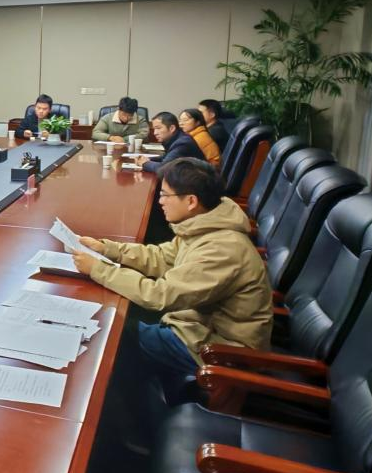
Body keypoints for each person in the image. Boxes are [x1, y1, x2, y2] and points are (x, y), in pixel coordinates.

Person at [70, 158, 272, 393]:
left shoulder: (221, 248)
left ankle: (127, 409)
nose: (160, 201)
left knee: (112, 335)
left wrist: (98, 269)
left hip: (220, 350)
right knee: (116, 320)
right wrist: (108, 249)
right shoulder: (204, 224)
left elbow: (160, 295)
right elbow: (162, 257)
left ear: (191, 201)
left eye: (165, 195)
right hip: (197, 327)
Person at [140, 112, 204, 173]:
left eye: (158, 128)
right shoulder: (176, 138)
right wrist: (148, 159)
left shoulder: (182, 143)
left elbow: (164, 168)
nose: (155, 133)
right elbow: (166, 158)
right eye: (154, 129)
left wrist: (145, 163)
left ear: (172, 128)